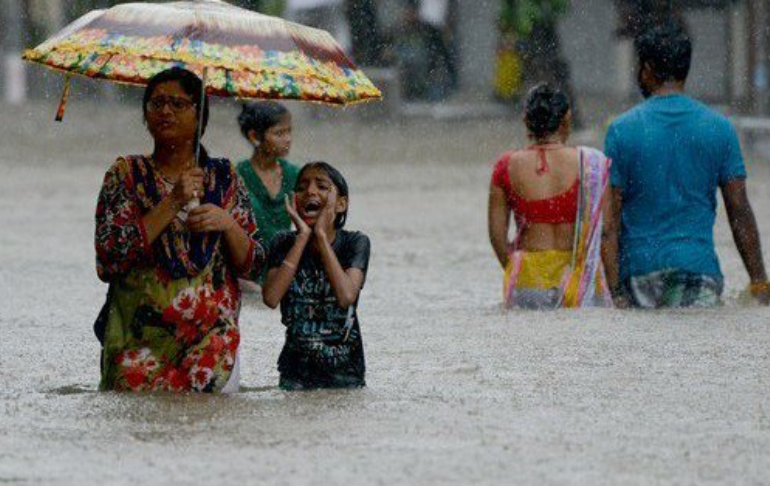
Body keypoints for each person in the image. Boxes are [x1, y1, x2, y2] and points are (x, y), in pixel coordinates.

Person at [94, 67, 264, 392]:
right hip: (138, 341)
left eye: (177, 103)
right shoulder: (125, 175)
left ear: (200, 114)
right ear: (145, 115)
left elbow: (254, 264)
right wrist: (173, 201)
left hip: (212, 344)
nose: (165, 111)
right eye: (156, 104)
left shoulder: (224, 177)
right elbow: (109, 258)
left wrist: (226, 224)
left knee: (207, 435)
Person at [605, 22, 770, 308]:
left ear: (645, 69)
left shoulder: (621, 130)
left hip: (640, 275)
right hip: (699, 272)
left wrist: (614, 291)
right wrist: (759, 283)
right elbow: (739, 211)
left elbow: (610, 222)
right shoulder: (720, 128)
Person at [488, 83, 614, 309]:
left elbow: (497, 236)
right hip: (578, 279)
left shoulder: (506, 166)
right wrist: (616, 289)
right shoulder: (591, 164)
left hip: (527, 279)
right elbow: (605, 231)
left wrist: (515, 267)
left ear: (525, 120)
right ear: (567, 119)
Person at [262, 162, 370, 389]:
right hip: (295, 374)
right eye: (301, 187)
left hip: (345, 374)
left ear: (341, 204)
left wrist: (320, 235)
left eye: (322, 186)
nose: (310, 191)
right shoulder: (282, 242)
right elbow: (271, 297)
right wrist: (302, 237)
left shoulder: (355, 243)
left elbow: (346, 295)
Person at [236, 101, 300, 256]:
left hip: (284, 264)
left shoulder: (295, 175)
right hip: (249, 264)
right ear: (254, 136)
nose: (288, 139)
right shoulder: (237, 176)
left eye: (289, 131)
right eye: (279, 133)